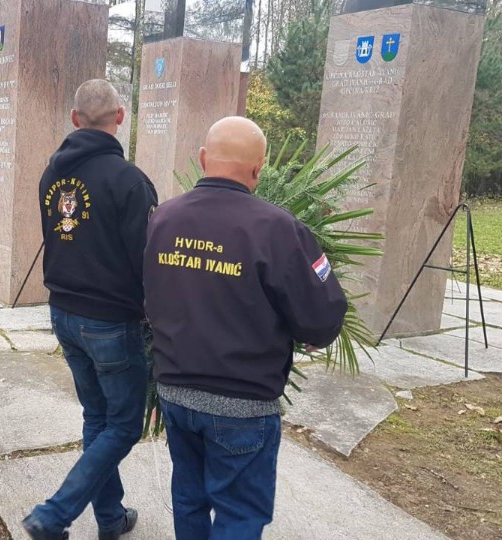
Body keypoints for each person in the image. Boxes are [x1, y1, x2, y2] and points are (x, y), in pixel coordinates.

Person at [143, 117, 349, 539]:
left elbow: (147, 293)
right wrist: (311, 334)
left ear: (204, 159)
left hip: (175, 392)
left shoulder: (163, 218)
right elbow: (322, 315)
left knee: (189, 499)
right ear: (259, 168)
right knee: (239, 515)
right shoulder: (278, 228)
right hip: (243, 403)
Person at [23, 79, 158, 540]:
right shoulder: (130, 181)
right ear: (120, 117)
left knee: (97, 419)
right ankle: (53, 514)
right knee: (123, 426)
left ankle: (110, 518)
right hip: (110, 322)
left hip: (63, 313)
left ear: (75, 119)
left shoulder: (51, 175)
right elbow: (146, 259)